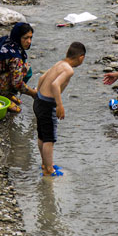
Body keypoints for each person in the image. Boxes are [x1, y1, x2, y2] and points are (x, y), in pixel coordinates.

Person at [33, 41, 86, 177]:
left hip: (39, 100)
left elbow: (42, 77)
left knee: (42, 135)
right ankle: (48, 170)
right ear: (81, 57)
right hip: (47, 104)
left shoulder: (59, 63)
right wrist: (59, 105)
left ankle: (45, 163)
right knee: (49, 139)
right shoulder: (69, 70)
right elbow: (55, 84)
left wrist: (38, 92)